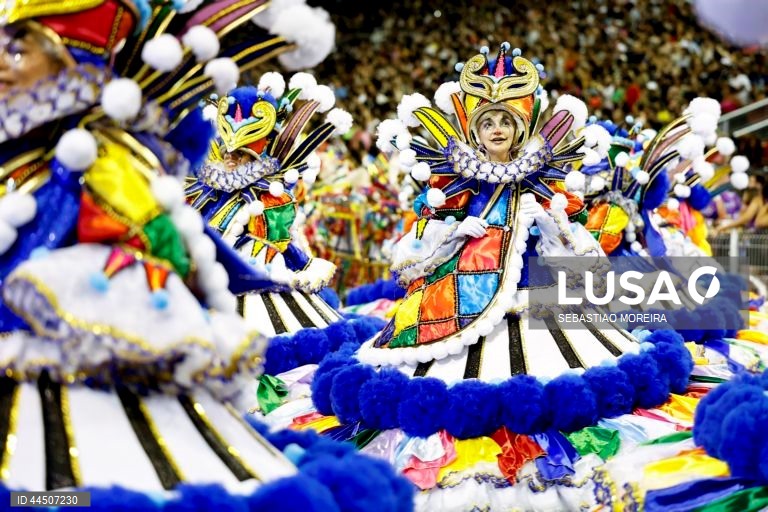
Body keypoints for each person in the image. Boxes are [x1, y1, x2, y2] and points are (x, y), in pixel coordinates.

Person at [0, 0, 409, 507]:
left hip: (523, 317)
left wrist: (542, 316)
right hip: (73, 346)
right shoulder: (46, 161)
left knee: (59, 492)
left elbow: (218, 246)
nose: (2, 61)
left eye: (19, 49)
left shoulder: (120, 170)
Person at [297, 44, 693, 512]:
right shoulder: (455, 177)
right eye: (488, 122)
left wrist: (551, 220)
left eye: (505, 122)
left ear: (521, 126)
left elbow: (571, 233)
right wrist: (452, 229)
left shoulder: (542, 177)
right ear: (475, 128)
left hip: (538, 301)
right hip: (463, 300)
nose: (497, 130)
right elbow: (425, 233)